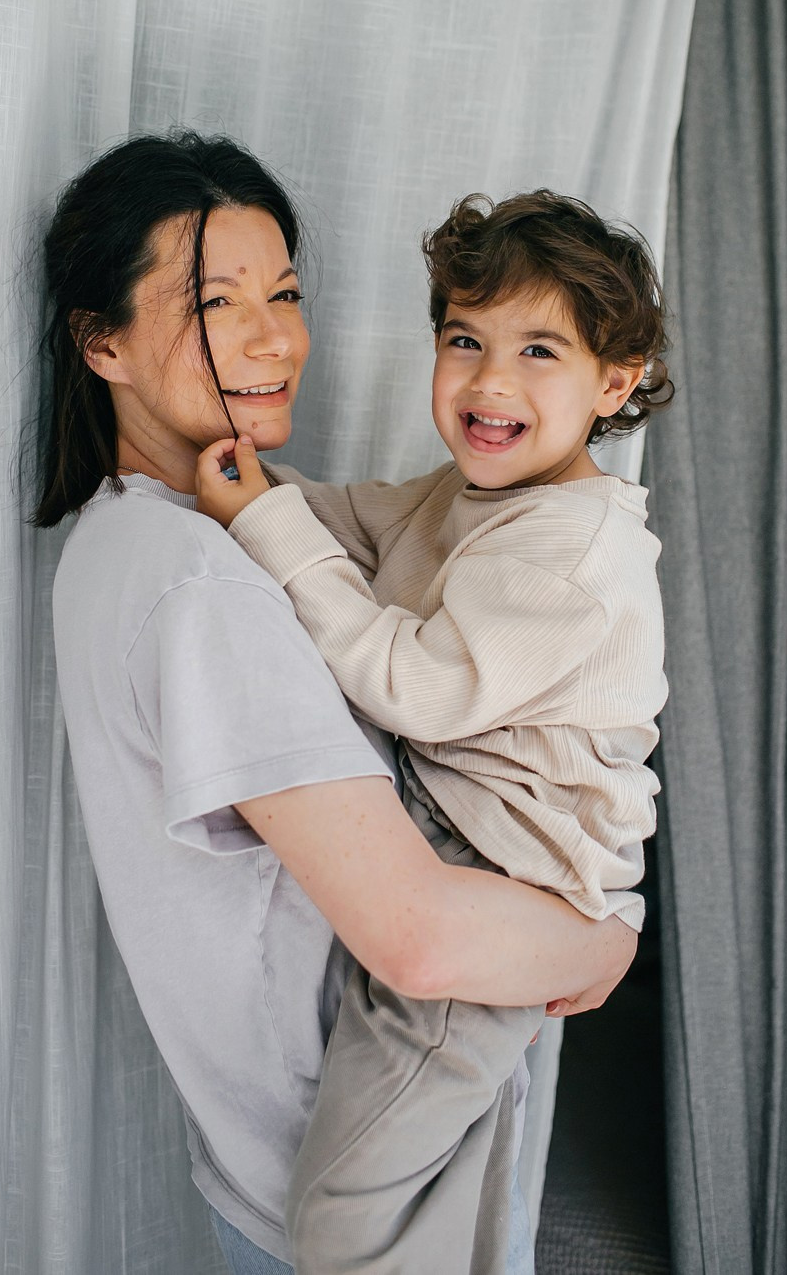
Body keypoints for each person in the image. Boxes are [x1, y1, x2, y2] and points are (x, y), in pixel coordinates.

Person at [35, 130, 639, 1275]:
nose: (274, 338)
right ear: (102, 342)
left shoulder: (139, 541)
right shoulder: (199, 581)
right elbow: (418, 940)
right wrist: (604, 940)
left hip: (308, 1162)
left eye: (286, 293)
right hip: (354, 1195)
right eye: (216, 303)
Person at [196, 188, 673, 1274]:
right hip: (462, 849)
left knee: (345, 1210)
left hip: (504, 883)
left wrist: (260, 518)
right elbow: (352, 524)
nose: (490, 381)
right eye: (465, 340)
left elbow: (415, 687)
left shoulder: (571, 553)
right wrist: (235, 489)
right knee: (440, 1184)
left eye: (539, 351)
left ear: (615, 382)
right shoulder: (471, 494)